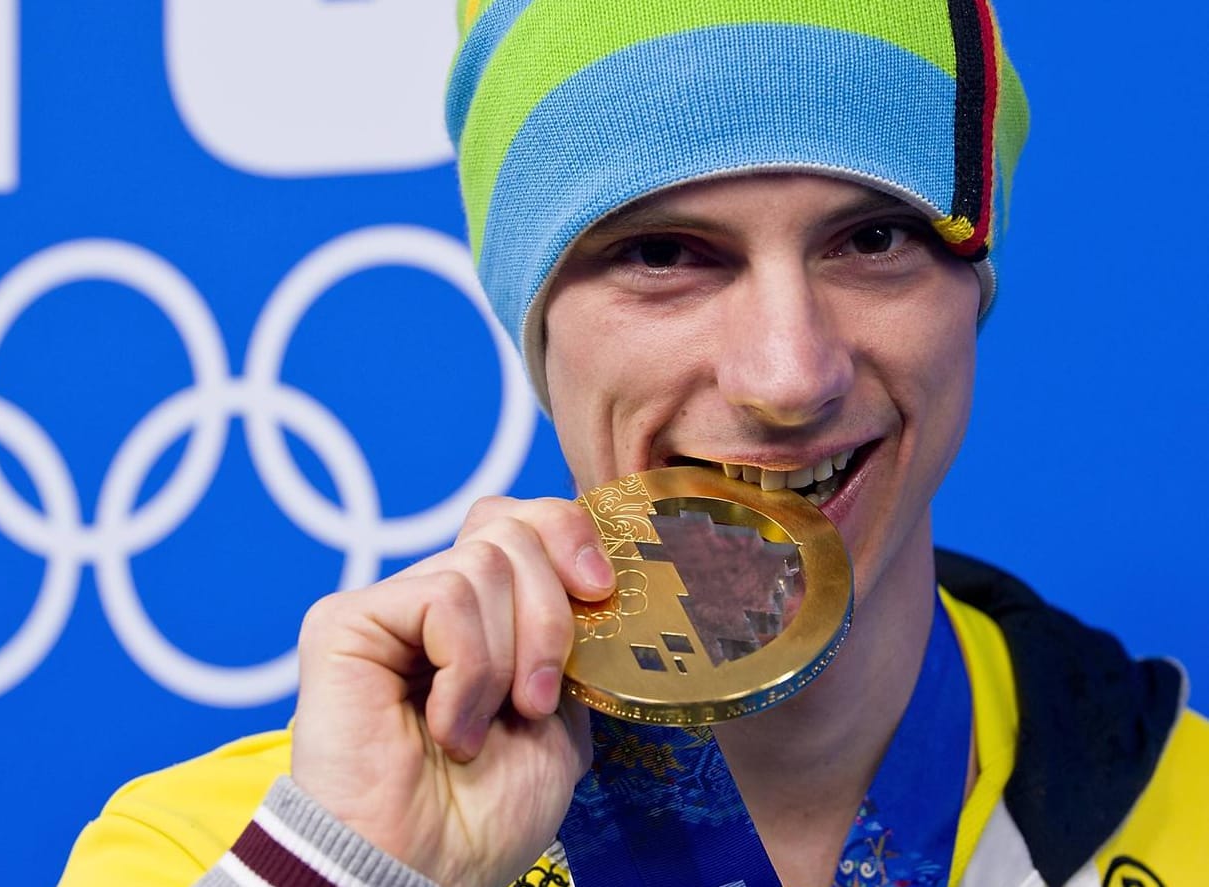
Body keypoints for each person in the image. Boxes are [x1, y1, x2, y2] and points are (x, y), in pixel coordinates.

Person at [59, 2, 1208, 885]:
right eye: (664, 253)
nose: (787, 372)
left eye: (872, 236)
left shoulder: (1189, 807)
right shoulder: (238, 847)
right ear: (536, 325)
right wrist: (366, 864)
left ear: (972, 292)